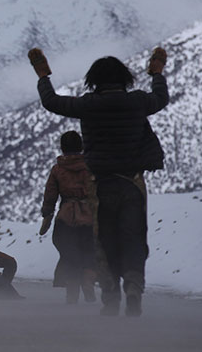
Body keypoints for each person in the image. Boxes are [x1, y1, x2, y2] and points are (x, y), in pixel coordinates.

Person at [28, 46, 169, 316]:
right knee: (133, 237)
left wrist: (43, 75)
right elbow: (160, 98)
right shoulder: (138, 101)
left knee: (103, 240)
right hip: (133, 183)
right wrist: (156, 73)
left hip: (100, 185)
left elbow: (52, 102)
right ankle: (133, 286)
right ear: (124, 79)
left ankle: (111, 294)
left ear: (94, 81)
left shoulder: (88, 105)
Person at [40, 130, 98, 304]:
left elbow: (50, 195)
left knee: (68, 253)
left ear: (62, 148)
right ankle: (88, 280)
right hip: (89, 217)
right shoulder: (91, 167)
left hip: (66, 218)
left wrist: (47, 213)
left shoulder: (58, 169)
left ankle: (72, 292)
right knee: (89, 251)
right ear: (81, 147)